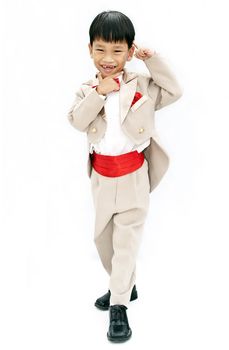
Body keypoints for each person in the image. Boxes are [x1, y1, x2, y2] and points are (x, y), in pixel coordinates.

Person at [67, 10, 183, 343]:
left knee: (126, 243)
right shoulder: (87, 89)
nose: (108, 58)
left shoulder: (143, 84)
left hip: (134, 176)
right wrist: (100, 92)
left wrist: (153, 60)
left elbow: (175, 91)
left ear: (130, 52)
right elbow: (76, 121)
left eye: (117, 51)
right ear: (89, 49)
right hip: (101, 178)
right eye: (101, 49)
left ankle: (119, 305)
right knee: (104, 241)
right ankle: (124, 285)